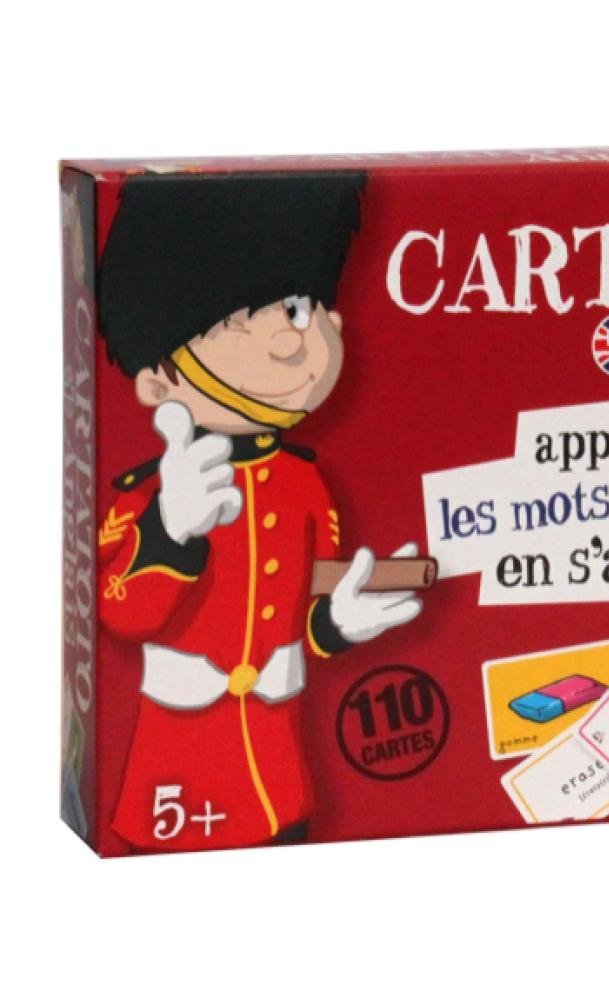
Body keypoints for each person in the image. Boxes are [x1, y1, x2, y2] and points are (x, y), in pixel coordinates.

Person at [96, 171, 422, 850]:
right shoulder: (149, 492)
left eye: (298, 308)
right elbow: (120, 612)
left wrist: (335, 624)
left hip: (279, 776)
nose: (290, 341)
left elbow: (300, 611)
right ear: (157, 381)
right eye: (231, 321)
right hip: (178, 779)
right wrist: (168, 529)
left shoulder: (304, 483)